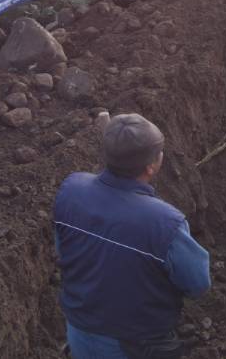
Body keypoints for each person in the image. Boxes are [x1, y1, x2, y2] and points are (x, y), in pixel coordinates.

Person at [53, 113, 210, 358]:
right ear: (151, 166)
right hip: (135, 344)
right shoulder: (165, 222)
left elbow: (64, 251)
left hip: (79, 331)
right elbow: (197, 284)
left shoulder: (71, 191)